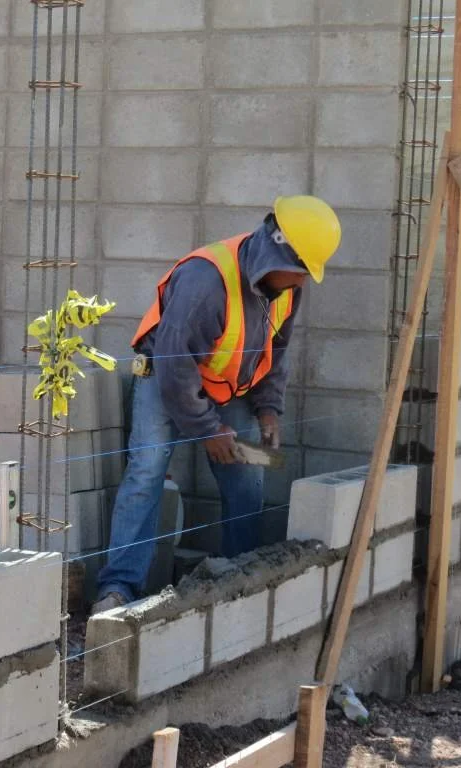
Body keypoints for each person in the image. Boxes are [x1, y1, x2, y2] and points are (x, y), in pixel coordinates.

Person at [92, 196, 341, 614]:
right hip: (164, 376)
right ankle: (117, 589)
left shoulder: (283, 290)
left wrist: (267, 409)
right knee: (146, 470)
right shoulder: (205, 282)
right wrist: (208, 430)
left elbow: (276, 349)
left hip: (225, 387)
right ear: (277, 252)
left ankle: (237, 578)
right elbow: (176, 368)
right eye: (299, 271)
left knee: (247, 472)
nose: (301, 283)